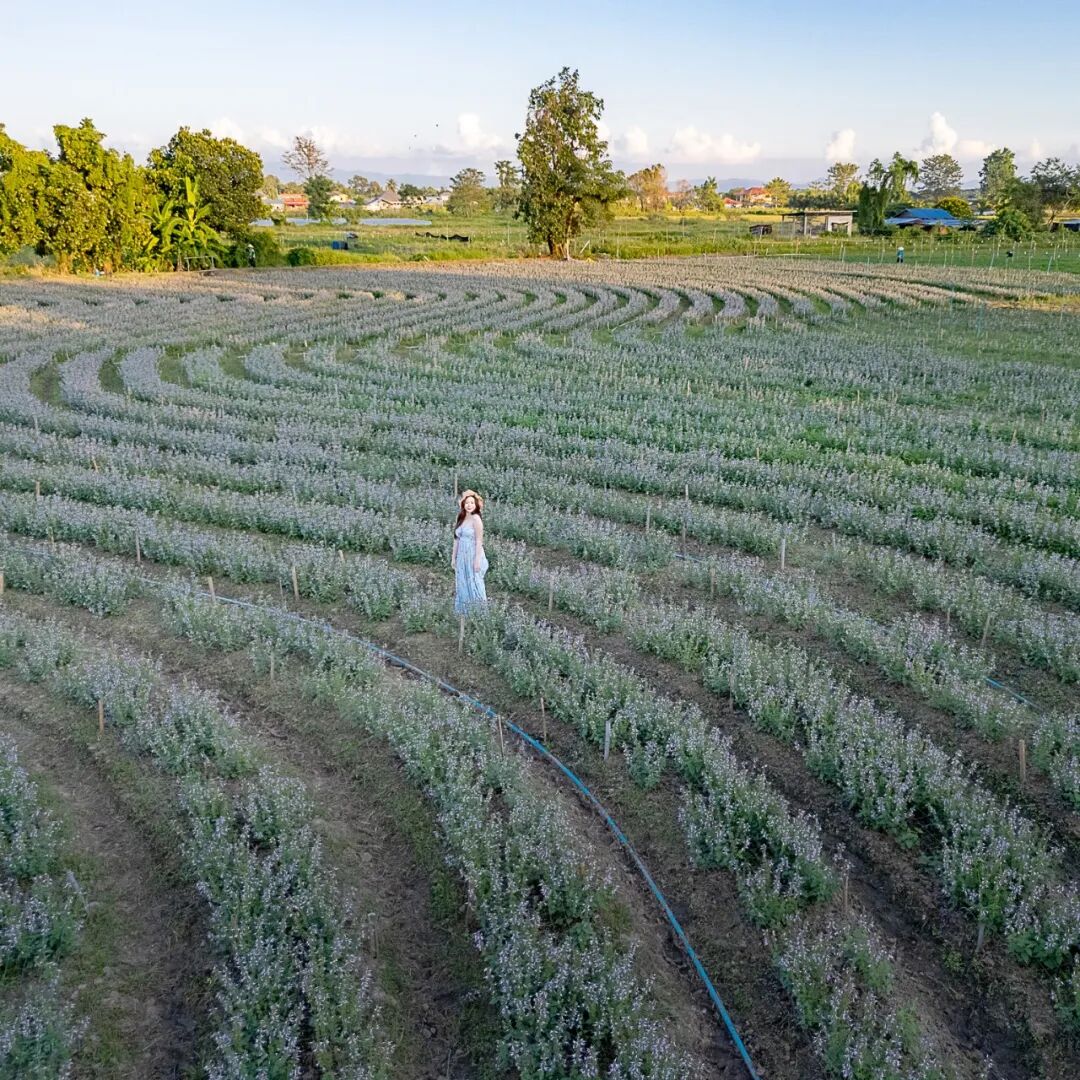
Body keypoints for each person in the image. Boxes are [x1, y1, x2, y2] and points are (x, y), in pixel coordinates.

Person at [452, 490, 488, 615]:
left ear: (476, 504)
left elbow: (479, 541)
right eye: (467, 503)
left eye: (472, 503)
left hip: (473, 555)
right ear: (463, 504)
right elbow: (456, 539)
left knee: (474, 581)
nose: (469, 505)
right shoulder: (461, 518)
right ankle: (464, 612)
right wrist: (453, 558)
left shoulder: (476, 519)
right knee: (462, 581)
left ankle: (479, 612)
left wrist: (477, 560)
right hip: (462, 556)